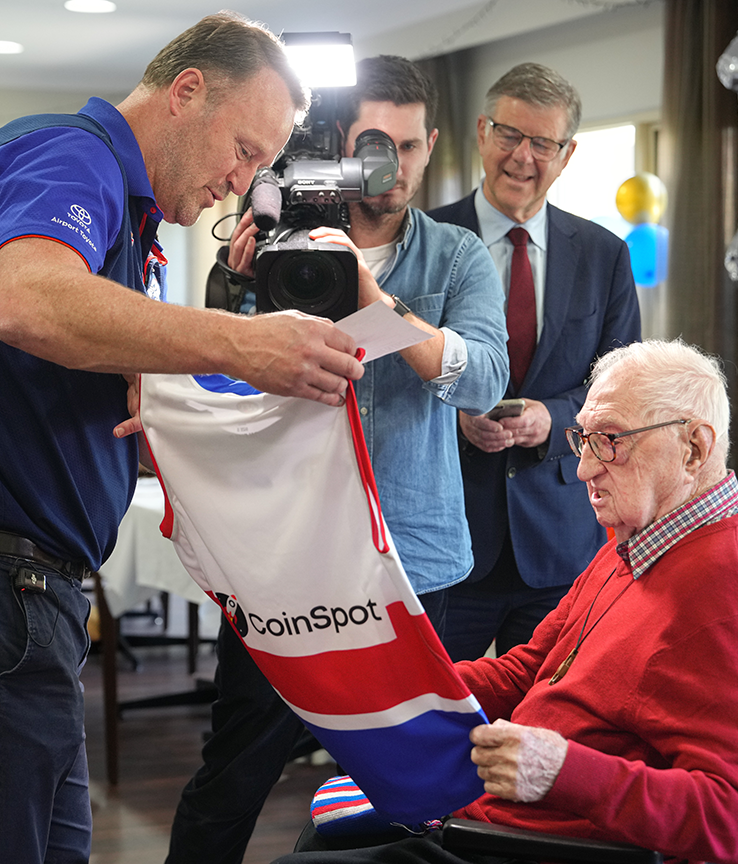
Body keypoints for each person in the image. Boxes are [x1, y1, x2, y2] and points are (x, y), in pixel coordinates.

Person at [0, 14, 368, 864]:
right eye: (242, 150)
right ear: (186, 92)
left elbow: (82, 366)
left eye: (260, 167)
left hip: (14, 588)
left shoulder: (132, 225)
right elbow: (28, 303)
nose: (239, 183)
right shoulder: (71, 152)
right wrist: (239, 343)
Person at [165, 55, 509, 864]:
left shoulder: (456, 256)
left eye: (408, 147)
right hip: (285, 563)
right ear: (335, 149)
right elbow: (223, 389)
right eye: (373, 147)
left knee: (419, 787)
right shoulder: (275, 240)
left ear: (431, 147)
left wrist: (373, 300)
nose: (392, 168)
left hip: (414, 558)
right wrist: (233, 288)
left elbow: (485, 381)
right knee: (234, 774)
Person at [270, 338, 738, 864]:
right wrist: (407, 686)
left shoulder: (725, 589)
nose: (584, 469)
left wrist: (561, 770)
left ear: (694, 449)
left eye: (610, 441)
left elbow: (734, 821)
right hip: (501, 815)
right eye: (584, 439)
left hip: (540, 846)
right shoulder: (644, 537)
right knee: (323, 835)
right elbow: (531, 668)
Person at [428, 63, 641, 661]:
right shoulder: (426, 238)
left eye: (542, 143)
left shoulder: (604, 254)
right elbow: (385, 368)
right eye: (509, 135)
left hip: (559, 542)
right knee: (439, 710)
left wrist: (554, 418)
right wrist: (458, 414)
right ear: (481, 132)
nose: (522, 156)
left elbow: (623, 386)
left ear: (567, 155)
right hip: (447, 536)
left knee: (547, 712)